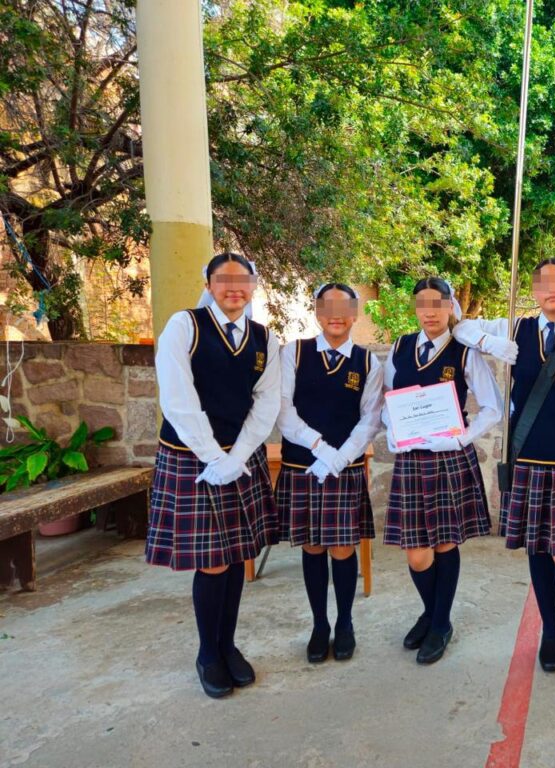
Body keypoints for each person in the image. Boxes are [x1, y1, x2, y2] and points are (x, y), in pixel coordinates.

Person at [453, 258, 555, 672]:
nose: (552, 289)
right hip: (528, 457)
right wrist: (490, 344)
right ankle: (549, 632)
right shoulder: (515, 327)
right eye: (543, 282)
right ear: (534, 290)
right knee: (537, 549)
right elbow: (461, 328)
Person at [146, 252, 280, 699]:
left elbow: (266, 401)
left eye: (243, 279)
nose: (234, 287)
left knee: (237, 553)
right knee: (212, 559)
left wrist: (236, 456)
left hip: (239, 458)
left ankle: (228, 645)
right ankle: (208, 654)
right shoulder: (184, 326)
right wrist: (212, 457)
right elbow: (177, 398)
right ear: (209, 283)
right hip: (193, 458)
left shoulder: (264, 338)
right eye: (224, 279)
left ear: (254, 286)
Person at [382, 277, 501, 665]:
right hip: (411, 458)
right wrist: (392, 429)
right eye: (422, 303)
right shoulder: (400, 348)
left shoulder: (464, 352)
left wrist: (461, 438)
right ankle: (430, 612)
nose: (430, 311)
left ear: (450, 306)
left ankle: (440, 623)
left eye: (438, 303)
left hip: (448, 458)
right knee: (417, 553)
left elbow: (493, 408)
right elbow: (388, 400)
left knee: (445, 543)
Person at [276, 283, 383, 663]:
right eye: (328, 307)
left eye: (344, 308)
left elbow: (370, 418)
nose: (336, 315)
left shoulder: (368, 363)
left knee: (342, 547)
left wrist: (340, 457)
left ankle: (345, 622)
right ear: (318, 312)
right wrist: (319, 448)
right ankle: (319, 624)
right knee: (312, 545)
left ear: (354, 314)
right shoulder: (293, 353)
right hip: (302, 464)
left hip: (344, 467)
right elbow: (283, 410)